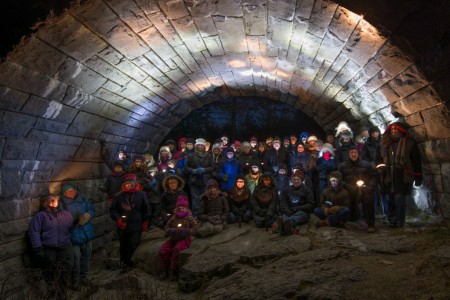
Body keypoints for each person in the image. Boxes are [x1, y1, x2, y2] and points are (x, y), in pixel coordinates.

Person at [28, 194, 74, 299]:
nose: (53, 202)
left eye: (55, 200)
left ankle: (62, 292)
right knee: (50, 270)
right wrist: (37, 248)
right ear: (46, 203)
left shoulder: (65, 214)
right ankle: (52, 291)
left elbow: (70, 227)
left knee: (67, 266)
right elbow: (33, 231)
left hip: (65, 245)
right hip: (49, 246)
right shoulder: (41, 216)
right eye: (51, 200)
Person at [378, 122, 422, 228]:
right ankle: (391, 220)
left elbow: (416, 160)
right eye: (392, 128)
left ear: (401, 130)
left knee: (400, 199)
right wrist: (380, 169)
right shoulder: (384, 143)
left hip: (402, 174)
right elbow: (378, 158)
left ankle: (399, 221)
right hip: (388, 175)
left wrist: (418, 175)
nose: (394, 130)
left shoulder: (409, 143)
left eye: (396, 128)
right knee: (390, 199)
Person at [110, 174, 150, 273]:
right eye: (126, 183)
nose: (128, 185)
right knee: (123, 245)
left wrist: (145, 221)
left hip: (136, 224)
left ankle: (131, 263)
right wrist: (118, 219)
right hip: (123, 226)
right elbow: (113, 210)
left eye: (130, 183)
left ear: (135, 184)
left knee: (133, 243)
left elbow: (146, 209)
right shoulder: (118, 196)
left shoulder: (141, 194)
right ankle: (124, 264)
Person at [59, 183, 95, 290]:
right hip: (73, 237)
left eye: (72, 190)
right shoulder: (62, 204)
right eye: (67, 192)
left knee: (86, 257)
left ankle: (84, 278)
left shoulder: (82, 199)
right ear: (64, 194)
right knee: (76, 261)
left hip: (86, 234)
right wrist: (73, 222)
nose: (70, 193)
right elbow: (60, 220)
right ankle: (75, 282)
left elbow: (92, 209)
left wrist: (88, 215)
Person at [338, 146, 378, 232]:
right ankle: (348, 220)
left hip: (364, 188)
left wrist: (370, 186)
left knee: (369, 200)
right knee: (347, 200)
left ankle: (370, 223)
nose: (353, 154)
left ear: (358, 153)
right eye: (351, 152)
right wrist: (348, 186)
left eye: (355, 152)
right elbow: (339, 179)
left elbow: (374, 176)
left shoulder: (366, 165)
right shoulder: (342, 166)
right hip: (349, 189)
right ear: (348, 154)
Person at [159, 196, 198, 281]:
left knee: (176, 250)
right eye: (179, 207)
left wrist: (186, 231)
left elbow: (195, 229)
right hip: (173, 238)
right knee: (163, 250)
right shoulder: (174, 217)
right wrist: (171, 230)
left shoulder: (189, 217)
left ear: (186, 208)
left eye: (183, 207)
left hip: (185, 239)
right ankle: (164, 271)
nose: (181, 209)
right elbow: (166, 227)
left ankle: (173, 271)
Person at [278, 170, 314, 235]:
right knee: (284, 215)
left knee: (299, 215)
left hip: (301, 212)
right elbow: (283, 202)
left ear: (301, 180)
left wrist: (298, 208)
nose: (296, 181)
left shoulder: (307, 190)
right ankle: (286, 226)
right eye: (294, 179)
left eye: (298, 179)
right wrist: (287, 211)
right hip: (289, 211)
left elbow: (310, 204)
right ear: (292, 180)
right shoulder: (286, 190)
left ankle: (286, 224)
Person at [185, 138, 214, 217]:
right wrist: (193, 171)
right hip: (194, 180)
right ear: (196, 146)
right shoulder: (191, 156)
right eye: (198, 145)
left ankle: (205, 213)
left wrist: (204, 170)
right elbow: (186, 167)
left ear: (204, 146)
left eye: (201, 145)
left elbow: (212, 167)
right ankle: (196, 214)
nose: (200, 147)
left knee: (205, 196)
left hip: (205, 180)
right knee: (195, 198)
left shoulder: (209, 155)